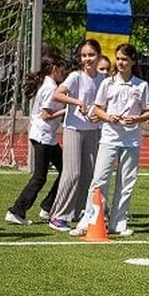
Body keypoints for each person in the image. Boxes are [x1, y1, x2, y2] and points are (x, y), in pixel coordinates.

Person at [71, 42, 149, 237]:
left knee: (126, 182)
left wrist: (137, 118)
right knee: (99, 180)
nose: (120, 63)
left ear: (133, 61)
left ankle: (119, 221)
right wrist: (108, 117)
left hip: (131, 140)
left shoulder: (141, 85)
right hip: (109, 137)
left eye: (125, 59)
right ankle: (88, 220)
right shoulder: (108, 83)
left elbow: (148, 111)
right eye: (118, 59)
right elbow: (97, 108)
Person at [48, 39, 107, 231]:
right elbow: (57, 94)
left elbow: (103, 105)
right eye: (84, 55)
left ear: (98, 55)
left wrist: (101, 116)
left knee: (89, 174)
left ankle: (80, 211)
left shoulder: (103, 80)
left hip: (93, 131)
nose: (87, 59)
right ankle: (58, 215)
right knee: (72, 173)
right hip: (73, 129)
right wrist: (76, 102)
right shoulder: (75, 76)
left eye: (91, 55)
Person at [6, 50, 66, 225]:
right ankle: (17, 210)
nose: (63, 73)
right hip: (43, 136)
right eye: (61, 68)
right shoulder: (50, 88)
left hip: (46, 136)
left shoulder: (48, 84)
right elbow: (46, 115)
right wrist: (68, 109)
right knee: (40, 177)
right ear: (54, 69)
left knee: (66, 171)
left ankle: (48, 207)